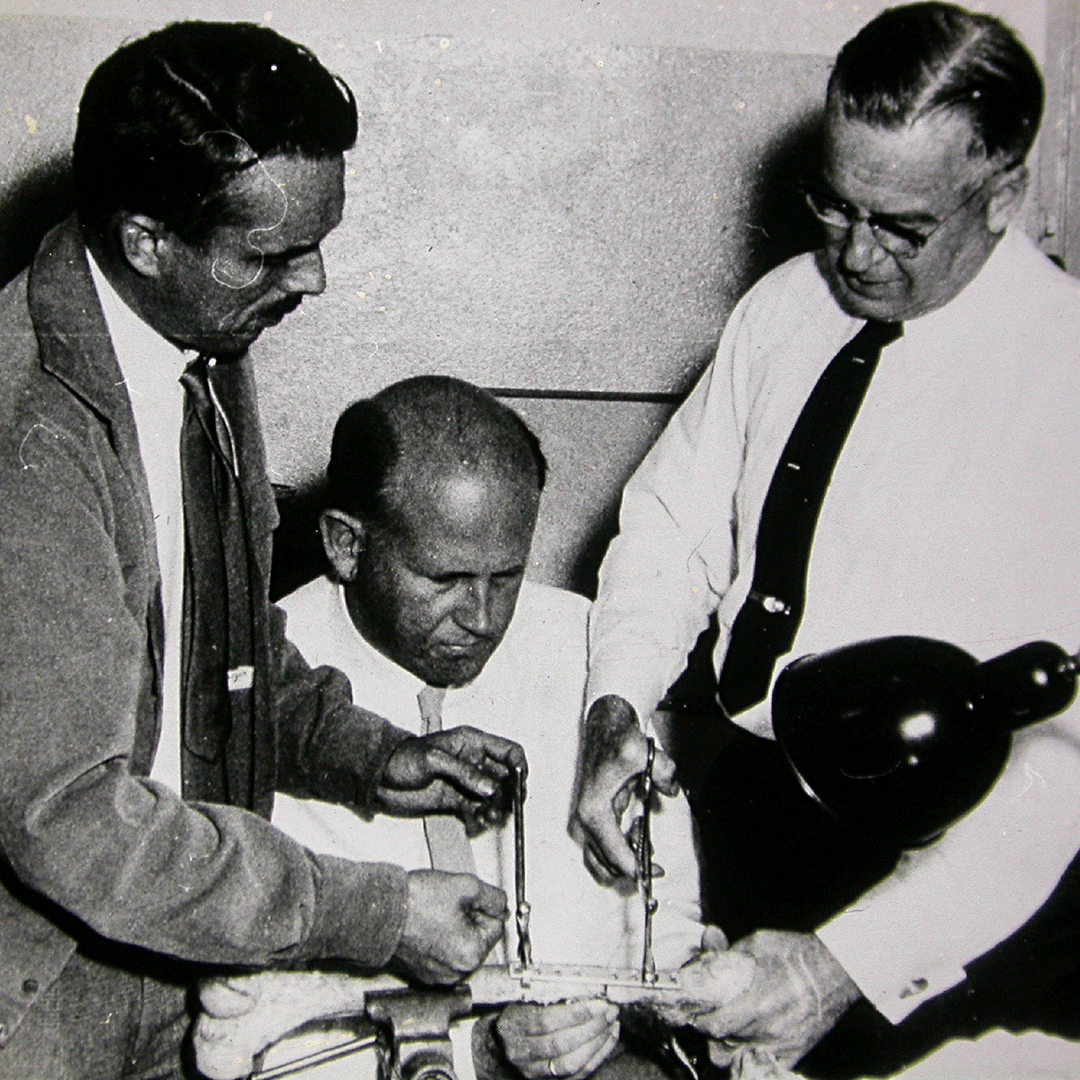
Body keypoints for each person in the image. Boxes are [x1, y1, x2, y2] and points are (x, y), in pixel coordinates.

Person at [0, 24, 523, 1078]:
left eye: (316, 241)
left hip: (179, 955)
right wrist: (373, 912)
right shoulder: (30, 433)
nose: (314, 279)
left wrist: (367, 753)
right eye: (272, 254)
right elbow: (69, 815)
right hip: (42, 996)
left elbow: (210, 648)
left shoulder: (201, 339)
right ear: (147, 239)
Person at [572, 3, 1080, 1075]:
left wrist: (846, 965)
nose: (853, 253)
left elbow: (1063, 767)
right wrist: (617, 703)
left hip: (955, 896)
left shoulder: (1062, 380)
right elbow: (671, 527)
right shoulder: (783, 310)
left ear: (1002, 196)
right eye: (834, 204)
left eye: (901, 227)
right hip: (756, 813)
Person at [196, 375, 703, 1080]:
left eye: (508, 576)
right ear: (346, 544)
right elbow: (244, 1031)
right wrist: (475, 1054)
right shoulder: (257, 693)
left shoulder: (592, 651)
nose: (483, 618)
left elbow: (667, 918)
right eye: (446, 580)